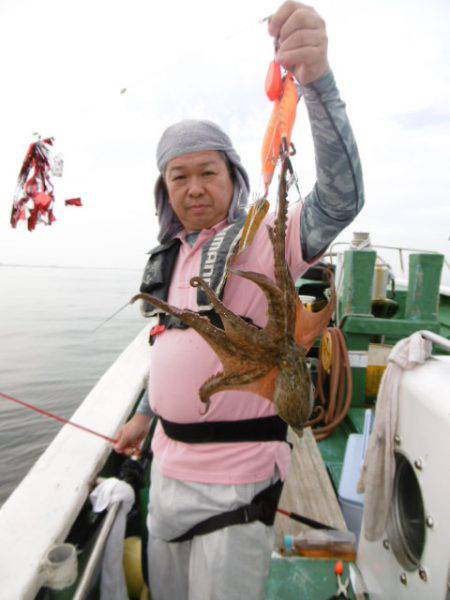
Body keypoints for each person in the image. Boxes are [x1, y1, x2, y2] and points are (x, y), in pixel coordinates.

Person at [115, 2, 364, 598]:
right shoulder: (169, 258)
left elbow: (339, 200)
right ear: (165, 190)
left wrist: (317, 82)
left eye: (208, 172)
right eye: (179, 177)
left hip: (240, 481)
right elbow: (169, 340)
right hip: (167, 472)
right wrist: (146, 414)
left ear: (232, 178)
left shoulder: (262, 239)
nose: (194, 187)